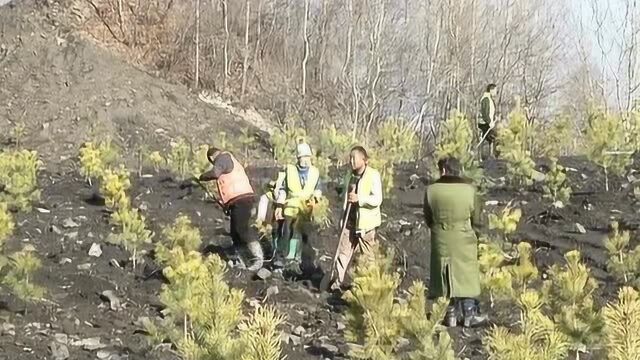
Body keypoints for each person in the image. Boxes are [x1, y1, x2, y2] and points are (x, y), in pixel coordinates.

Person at [423, 157, 487, 328]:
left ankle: (449, 315)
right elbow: (478, 219)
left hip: (441, 238)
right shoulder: (469, 191)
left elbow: (428, 218)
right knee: (466, 274)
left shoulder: (431, 191)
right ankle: (469, 314)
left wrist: (438, 230)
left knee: (442, 275)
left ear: (443, 170)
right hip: (464, 238)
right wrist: (475, 234)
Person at [198, 147, 263, 271]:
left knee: (241, 229)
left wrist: (202, 176)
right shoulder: (226, 159)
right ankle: (243, 260)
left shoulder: (223, 158)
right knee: (235, 232)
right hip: (236, 201)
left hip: (242, 199)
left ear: (211, 158)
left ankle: (257, 258)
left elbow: (215, 173)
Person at [330, 146, 383, 291]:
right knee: (343, 252)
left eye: (354, 158)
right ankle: (336, 282)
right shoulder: (350, 176)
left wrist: (360, 199)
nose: (351, 161)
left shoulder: (373, 175)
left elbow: (377, 199)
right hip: (350, 221)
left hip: (366, 224)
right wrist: (342, 217)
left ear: (364, 160)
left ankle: (370, 287)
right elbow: (345, 199)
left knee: (367, 257)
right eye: (350, 158)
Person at [274, 141, 322, 272]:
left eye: (307, 157)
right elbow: (282, 189)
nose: (305, 160)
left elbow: (318, 189)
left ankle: (304, 262)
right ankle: (280, 259)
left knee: (306, 235)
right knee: (286, 232)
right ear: (298, 158)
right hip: (291, 206)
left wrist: (316, 200)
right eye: (302, 157)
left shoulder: (314, 172)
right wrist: (279, 205)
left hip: (306, 207)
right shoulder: (290, 170)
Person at [478, 83, 498, 157]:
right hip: (484, 123)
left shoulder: (490, 99)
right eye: (495, 90)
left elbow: (490, 112)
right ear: (491, 90)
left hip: (488, 122)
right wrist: (489, 122)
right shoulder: (486, 99)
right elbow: (485, 113)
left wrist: (493, 118)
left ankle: (490, 155)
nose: (496, 92)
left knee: (492, 138)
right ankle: (487, 156)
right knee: (494, 136)